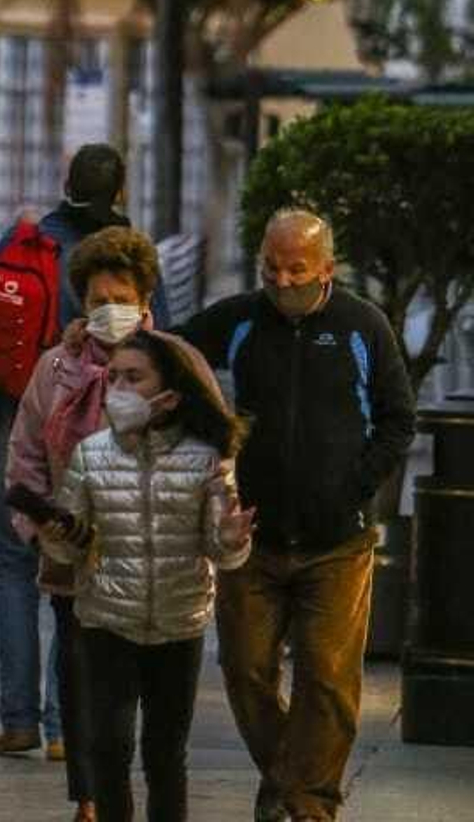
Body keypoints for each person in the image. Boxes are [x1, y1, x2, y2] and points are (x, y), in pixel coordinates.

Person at [178, 208, 415, 822]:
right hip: (252, 537)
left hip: (338, 542)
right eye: (270, 268)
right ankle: (289, 777)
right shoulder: (239, 319)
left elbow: (399, 419)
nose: (281, 281)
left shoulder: (364, 326)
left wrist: (356, 486)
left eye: (296, 270)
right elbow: (170, 354)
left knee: (328, 680)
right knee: (245, 669)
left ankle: (309, 806)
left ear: (326, 269)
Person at [0, 142, 169, 761]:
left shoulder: (26, 241)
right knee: (81, 572)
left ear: (67, 184)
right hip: (100, 437)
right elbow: (160, 346)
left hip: (18, 417)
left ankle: (18, 719)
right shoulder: (129, 258)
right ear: (120, 191)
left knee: (15, 565)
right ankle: (63, 726)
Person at [39, 327, 255, 822]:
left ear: (169, 393)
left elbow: (221, 552)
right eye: (113, 377)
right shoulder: (91, 454)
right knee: (109, 749)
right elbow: (67, 547)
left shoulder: (207, 458)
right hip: (107, 621)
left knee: (166, 754)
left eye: (134, 378)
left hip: (180, 622)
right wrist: (58, 534)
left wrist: (231, 539)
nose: (118, 388)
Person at [8, 224, 164, 822]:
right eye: (99, 299)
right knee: (79, 676)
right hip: (73, 551)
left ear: (144, 300)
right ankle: (90, 797)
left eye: (122, 298)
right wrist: (40, 527)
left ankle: (128, 788)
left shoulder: (170, 365)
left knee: (136, 685)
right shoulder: (55, 368)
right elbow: (25, 452)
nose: (110, 309)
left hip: (148, 555)